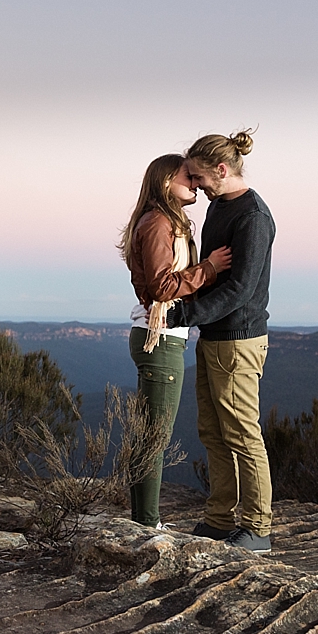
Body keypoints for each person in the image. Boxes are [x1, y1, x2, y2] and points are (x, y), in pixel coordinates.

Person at [171, 129, 276, 554]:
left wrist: (184, 314)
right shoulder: (220, 208)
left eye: (199, 177)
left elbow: (241, 291)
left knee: (242, 435)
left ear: (222, 169)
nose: (195, 186)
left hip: (238, 340)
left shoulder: (252, 217)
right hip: (213, 337)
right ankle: (219, 520)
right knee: (213, 432)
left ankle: (257, 528)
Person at [120, 153, 232, 529]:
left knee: (150, 434)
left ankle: (142, 520)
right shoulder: (158, 223)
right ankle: (148, 523)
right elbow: (161, 287)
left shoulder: (170, 222)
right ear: (167, 181)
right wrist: (210, 268)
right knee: (155, 437)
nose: (197, 182)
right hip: (160, 337)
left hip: (162, 336)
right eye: (189, 176)